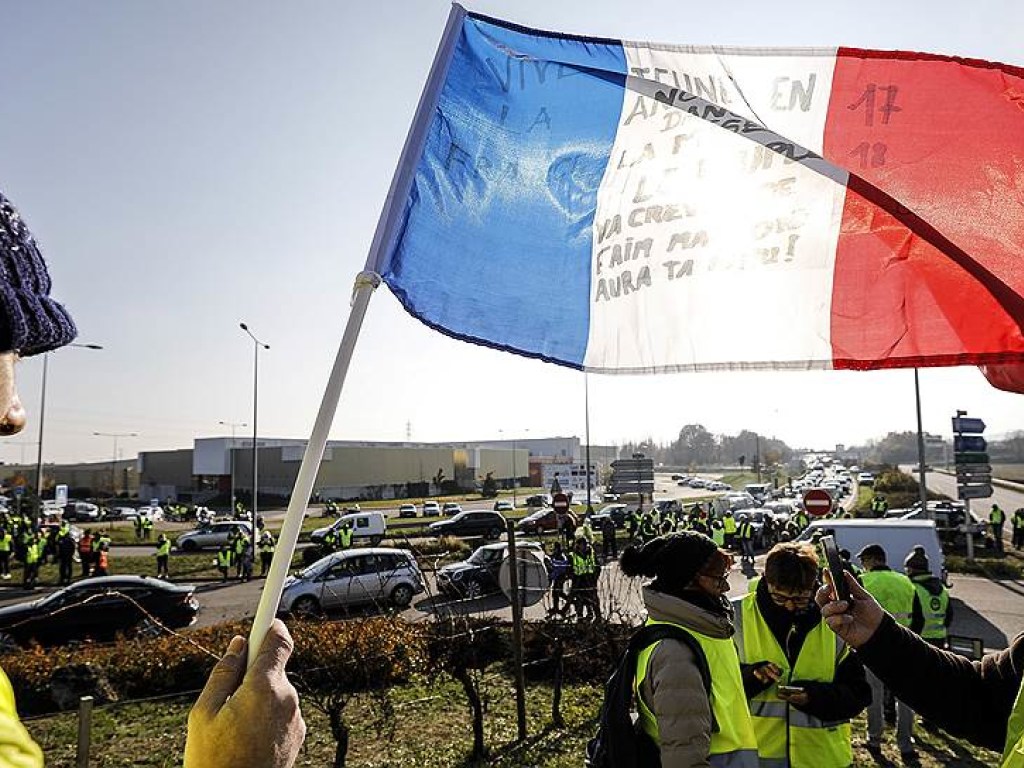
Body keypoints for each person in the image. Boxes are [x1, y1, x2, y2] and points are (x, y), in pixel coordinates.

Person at [818, 572, 1024, 768]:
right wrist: (878, 638)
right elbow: (979, 695)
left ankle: (881, 738)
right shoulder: (908, 583)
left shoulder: (882, 579)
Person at [619, 532, 757, 766]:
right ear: (687, 580)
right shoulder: (674, 654)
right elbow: (683, 754)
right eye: (717, 577)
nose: (724, 587)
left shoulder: (703, 630)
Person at [733, 543, 870, 767]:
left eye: (799, 599)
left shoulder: (836, 622)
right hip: (754, 758)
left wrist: (813, 697)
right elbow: (713, 689)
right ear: (766, 582)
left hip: (822, 759)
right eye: (779, 597)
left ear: (813, 586)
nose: (788, 606)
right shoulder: (735, 618)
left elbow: (858, 695)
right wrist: (751, 677)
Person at [857, 543, 918, 761]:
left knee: (874, 695)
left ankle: (874, 739)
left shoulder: (863, 583)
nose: (862, 565)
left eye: (863, 560)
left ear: (873, 560)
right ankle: (905, 743)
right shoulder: (906, 581)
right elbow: (917, 617)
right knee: (905, 698)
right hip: (903, 647)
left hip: (873, 648)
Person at [904, 546, 951, 648]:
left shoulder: (912, 588)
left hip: (920, 638)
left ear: (911, 569)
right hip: (940, 639)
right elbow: (949, 617)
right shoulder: (942, 589)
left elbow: (916, 618)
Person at [568, 536, 599, 621]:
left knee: (593, 599)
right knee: (579, 600)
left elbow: (597, 566)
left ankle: (597, 616)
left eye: (585, 544)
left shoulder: (591, 553)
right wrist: (572, 577)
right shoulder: (573, 555)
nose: (584, 546)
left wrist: (595, 577)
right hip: (578, 580)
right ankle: (580, 617)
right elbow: (570, 569)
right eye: (582, 544)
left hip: (590, 579)